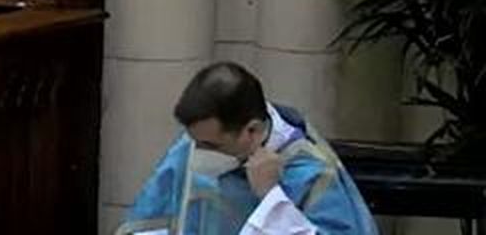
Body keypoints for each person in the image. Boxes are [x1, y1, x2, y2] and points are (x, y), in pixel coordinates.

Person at [119, 62, 378, 235]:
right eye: (193, 140)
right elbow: (150, 224)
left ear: (252, 131)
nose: (196, 152)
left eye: (210, 145)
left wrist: (271, 199)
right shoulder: (195, 143)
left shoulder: (310, 173)